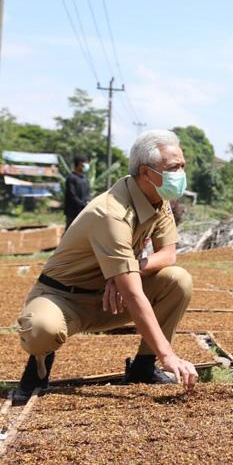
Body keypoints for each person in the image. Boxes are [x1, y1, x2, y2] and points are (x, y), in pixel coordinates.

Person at [13, 129, 197, 401]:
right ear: (146, 173)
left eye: (182, 166)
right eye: (173, 168)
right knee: (42, 330)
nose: (180, 173)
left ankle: (143, 368)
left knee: (178, 280)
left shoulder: (160, 201)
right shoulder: (111, 212)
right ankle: (37, 370)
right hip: (65, 298)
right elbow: (134, 293)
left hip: (110, 299)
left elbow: (168, 255)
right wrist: (169, 356)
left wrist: (129, 267)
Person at [64, 154, 92, 230]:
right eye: (84, 163)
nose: (86, 165)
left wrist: (89, 203)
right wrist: (82, 204)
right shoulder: (71, 178)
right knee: (70, 232)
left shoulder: (85, 179)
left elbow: (88, 193)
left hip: (84, 211)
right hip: (72, 212)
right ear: (79, 164)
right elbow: (72, 195)